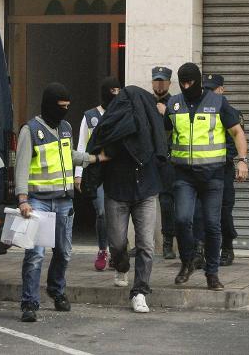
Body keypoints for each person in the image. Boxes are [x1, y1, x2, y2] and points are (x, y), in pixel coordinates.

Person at [15, 83, 108, 322]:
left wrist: (94, 158)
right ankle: (29, 303)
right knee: (35, 255)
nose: (65, 111)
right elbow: (22, 166)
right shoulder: (31, 130)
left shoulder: (65, 128)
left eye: (68, 106)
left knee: (64, 252)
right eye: (61, 106)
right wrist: (23, 199)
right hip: (39, 202)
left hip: (64, 201)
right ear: (48, 105)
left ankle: (57, 291)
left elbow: (69, 156)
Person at [164, 63, 248, 291]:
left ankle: (212, 273)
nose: (185, 86)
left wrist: (242, 160)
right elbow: (167, 134)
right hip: (184, 175)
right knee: (182, 220)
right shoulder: (174, 103)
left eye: (190, 82)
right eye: (182, 82)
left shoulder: (218, 102)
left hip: (213, 176)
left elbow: (237, 132)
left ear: (198, 81)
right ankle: (187, 262)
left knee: (212, 225)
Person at [85, 86, 167, 313]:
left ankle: (140, 291)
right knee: (118, 243)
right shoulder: (112, 128)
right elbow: (97, 149)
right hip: (117, 192)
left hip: (146, 192)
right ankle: (121, 266)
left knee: (146, 245)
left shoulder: (150, 128)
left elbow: (161, 150)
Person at [74, 77, 121, 271]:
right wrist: (78, 174)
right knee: (102, 212)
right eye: (113, 90)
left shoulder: (122, 113)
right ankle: (103, 249)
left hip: (117, 172)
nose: (116, 94)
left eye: (119, 90)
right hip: (96, 171)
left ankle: (117, 252)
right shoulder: (90, 116)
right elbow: (82, 145)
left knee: (117, 214)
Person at [202, 74, 242, 265]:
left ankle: (227, 246)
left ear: (222, 90)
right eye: (206, 89)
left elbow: (235, 144)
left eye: (213, 89)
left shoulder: (232, 113)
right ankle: (202, 249)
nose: (210, 93)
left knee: (224, 210)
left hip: (223, 169)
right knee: (202, 211)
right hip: (203, 170)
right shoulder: (199, 113)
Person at [151, 66, 176, 259]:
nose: (159, 84)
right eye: (156, 81)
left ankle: (168, 242)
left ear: (169, 83)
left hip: (168, 158)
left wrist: (166, 112)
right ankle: (145, 242)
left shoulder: (175, 103)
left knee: (167, 201)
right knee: (143, 201)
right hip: (148, 158)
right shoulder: (145, 101)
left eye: (163, 81)